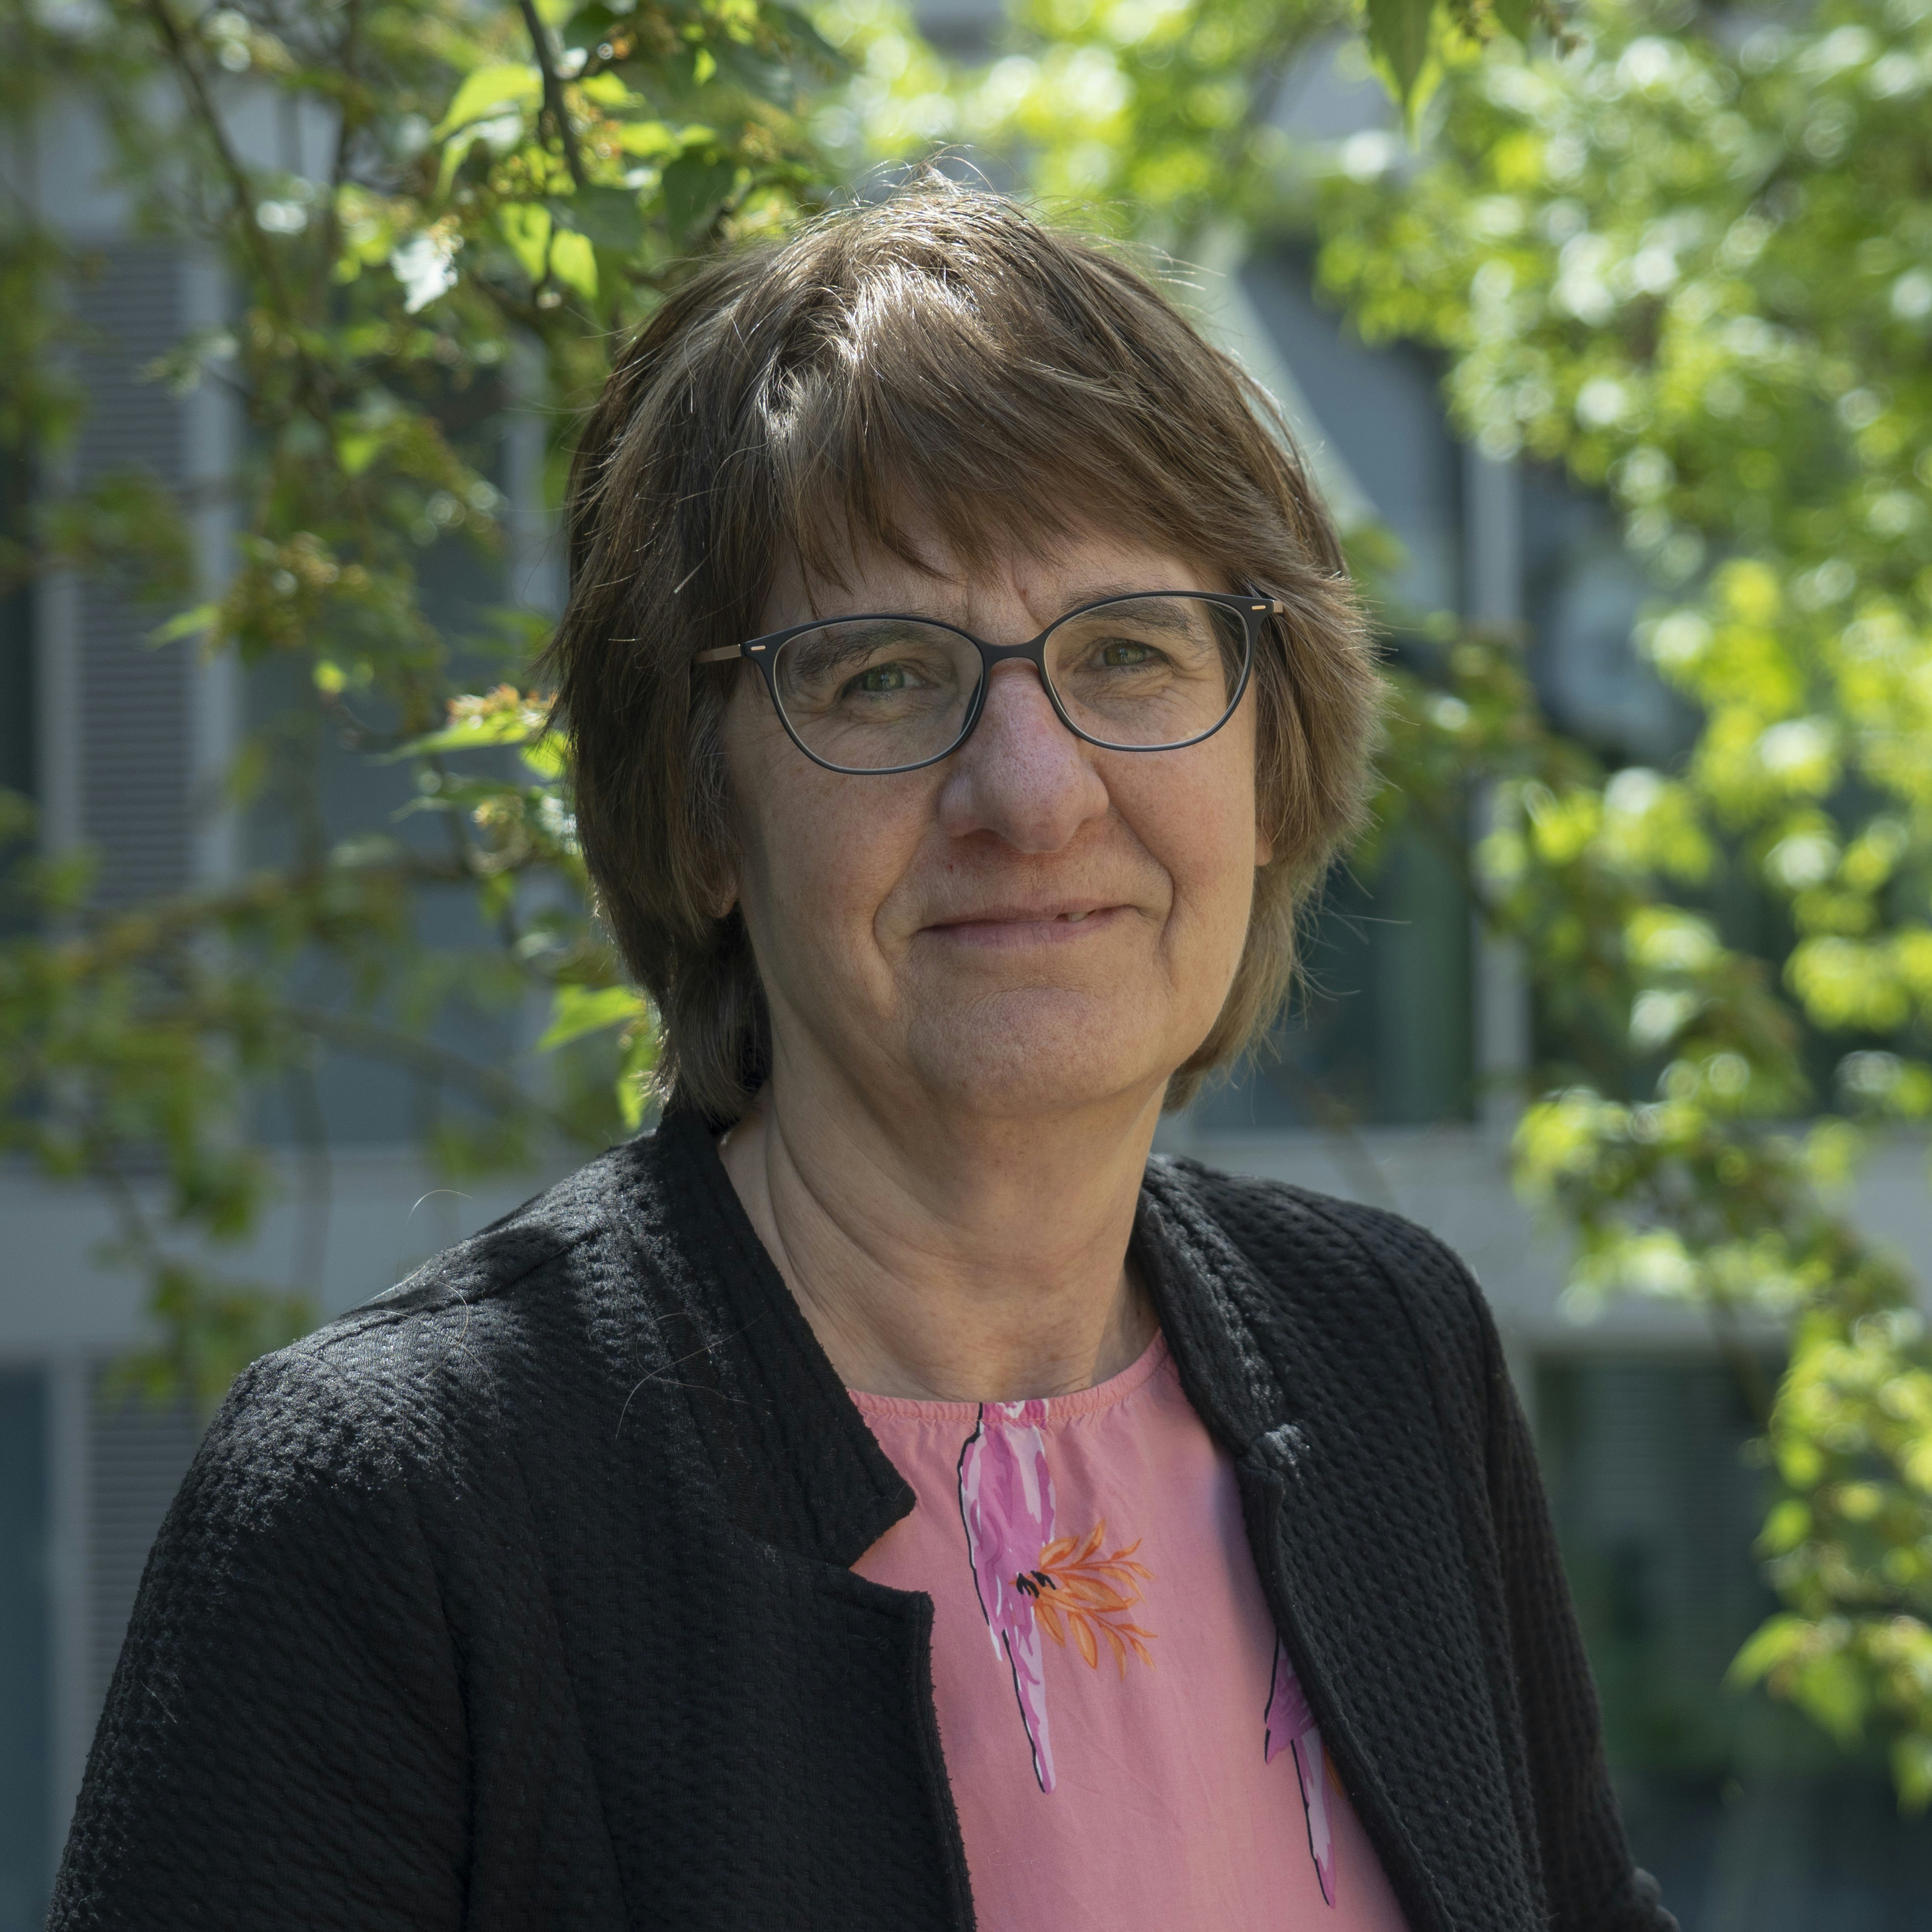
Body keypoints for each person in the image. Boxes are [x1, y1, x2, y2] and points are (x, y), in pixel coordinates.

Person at [49, 183, 1677, 1932]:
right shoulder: (400, 1500)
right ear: (703, 816)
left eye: (1128, 651)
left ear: (1267, 763)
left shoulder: (1382, 1354)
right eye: (883, 676)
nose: (1032, 793)